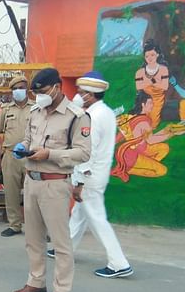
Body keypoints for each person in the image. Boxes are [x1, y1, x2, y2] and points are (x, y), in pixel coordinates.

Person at [11, 68, 91, 292]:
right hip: (31, 181)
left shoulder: (76, 116)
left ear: (57, 87)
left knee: (60, 242)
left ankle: (61, 291)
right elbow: (28, 138)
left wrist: (51, 154)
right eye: (36, 94)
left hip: (55, 183)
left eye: (43, 92)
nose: (39, 98)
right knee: (32, 239)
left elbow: (83, 153)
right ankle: (36, 282)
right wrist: (22, 147)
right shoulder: (36, 112)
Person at [47, 72, 133, 278]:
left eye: (82, 92)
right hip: (99, 173)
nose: (78, 94)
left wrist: (79, 181)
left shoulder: (92, 117)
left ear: (91, 95)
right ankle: (64, 248)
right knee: (79, 214)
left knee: (97, 219)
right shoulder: (106, 112)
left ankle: (119, 263)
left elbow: (87, 151)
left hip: (90, 176)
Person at [0, 75, 34, 237]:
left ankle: (35, 227)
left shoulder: (36, 108)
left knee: (34, 193)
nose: (18, 91)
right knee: (11, 192)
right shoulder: (6, 110)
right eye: (15, 89)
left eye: (21, 88)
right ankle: (14, 225)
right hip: (10, 155)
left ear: (27, 89)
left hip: (32, 155)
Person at [111, 92, 176, 182]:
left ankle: (147, 163)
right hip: (133, 156)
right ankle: (129, 170)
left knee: (164, 148)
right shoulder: (143, 121)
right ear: (143, 104)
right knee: (162, 171)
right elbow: (151, 140)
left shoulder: (131, 117)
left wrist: (167, 130)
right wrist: (172, 134)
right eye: (150, 103)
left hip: (125, 153)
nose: (152, 106)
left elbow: (149, 137)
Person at [134, 39, 170, 128]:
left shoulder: (163, 69)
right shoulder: (140, 72)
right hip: (145, 99)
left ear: (157, 55)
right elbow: (139, 87)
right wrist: (155, 82)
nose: (150, 58)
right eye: (147, 56)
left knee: (152, 124)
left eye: (152, 55)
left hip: (158, 98)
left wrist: (149, 82)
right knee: (139, 122)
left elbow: (164, 86)